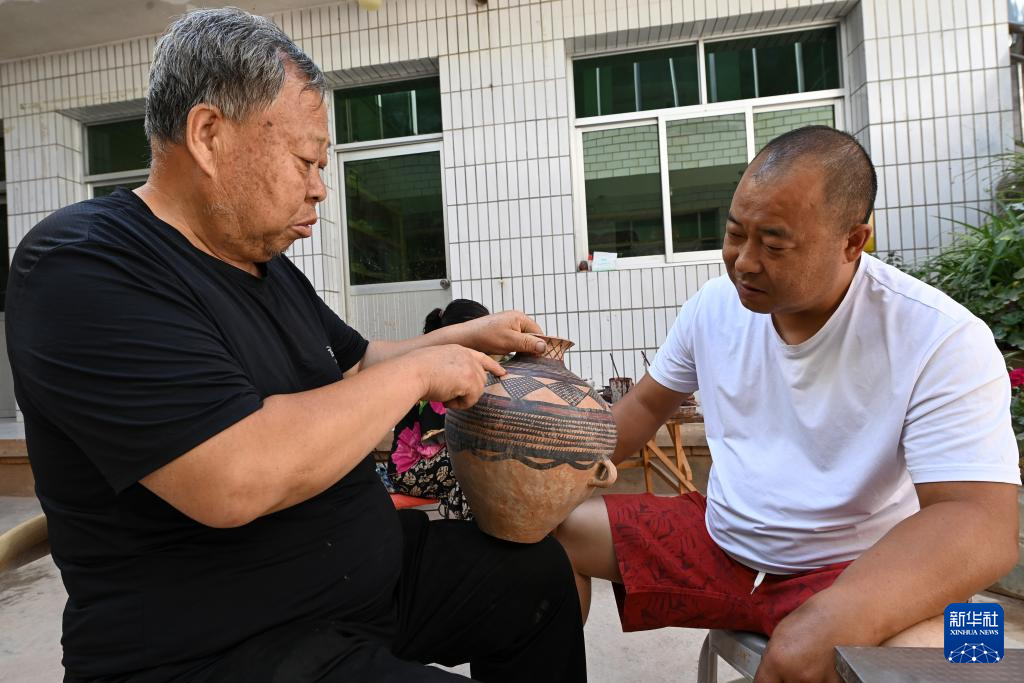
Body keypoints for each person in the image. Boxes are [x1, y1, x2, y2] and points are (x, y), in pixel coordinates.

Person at [5, 9, 585, 683]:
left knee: (536, 575)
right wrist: (424, 371)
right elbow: (232, 475)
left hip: (359, 580)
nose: (319, 187)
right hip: (221, 641)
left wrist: (466, 336)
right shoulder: (82, 265)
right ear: (209, 135)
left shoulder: (262, 261)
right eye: (306, 161)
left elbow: (358, 362)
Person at [555, 126, 1021, 682]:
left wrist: (836, 615)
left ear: (853, 242)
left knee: (974, 648)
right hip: (720, 542)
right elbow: (641, 410)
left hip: (854, 567)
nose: (744, 262)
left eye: (774, 245)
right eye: (735, 234)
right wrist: (535, 476)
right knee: (542, 537)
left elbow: (980, 521)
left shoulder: (939, 336)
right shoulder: (713, 307)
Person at [382, 299, 490, 519]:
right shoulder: (440, 374)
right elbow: (441, 439)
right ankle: (469, 527)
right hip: (408, 472)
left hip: (432, 464)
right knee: (471, 458)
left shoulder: (457, 370)